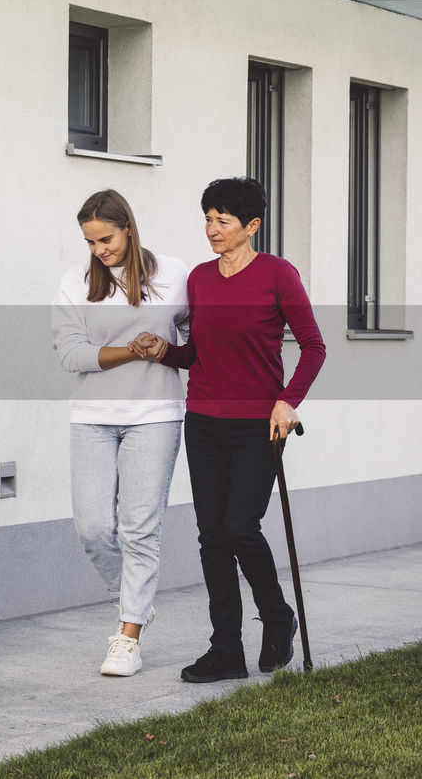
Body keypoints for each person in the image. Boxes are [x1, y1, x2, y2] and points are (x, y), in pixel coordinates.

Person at [131, 177, 325, 683]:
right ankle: (226, 651)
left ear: (252, 225)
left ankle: (278, 616)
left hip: (258, 424)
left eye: (223, 221)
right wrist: (165, 353)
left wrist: (288, 402)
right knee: (212, 537)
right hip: (205, 421)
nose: (212, 229)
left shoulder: (278, 275)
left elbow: (314, 346)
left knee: (240, 527)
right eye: (208, 219)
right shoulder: (199, 278)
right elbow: (199, 353)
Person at [52, 189, 190, 676]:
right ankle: (137, 601)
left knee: (139, 528)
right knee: (93, 528)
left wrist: (168, 348)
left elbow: (197, 337)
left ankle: (128, 634)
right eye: (90, 242)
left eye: (106, 239)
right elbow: (71, 354)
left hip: (155, 415)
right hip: (92, 416)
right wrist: (133, 349)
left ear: (128, 228)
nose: (99, 250)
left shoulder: (173, 274)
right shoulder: (75, 283)